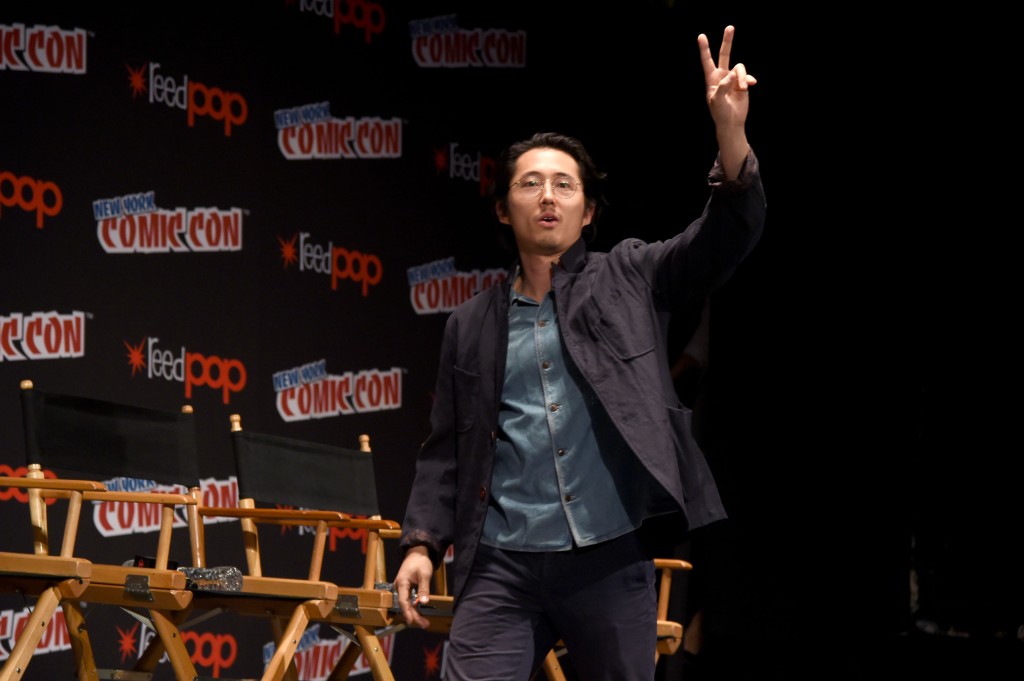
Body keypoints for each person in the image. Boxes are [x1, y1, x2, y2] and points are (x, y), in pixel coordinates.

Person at [395, 25, 765, 681]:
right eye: (530, 184)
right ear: (505, 209)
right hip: (501, 562)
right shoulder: (470, 323)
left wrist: (729, 134)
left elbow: (723, 238)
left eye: (564, 185)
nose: (547, 196)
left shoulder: (630, 275)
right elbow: (447, 448)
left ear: (589, 211)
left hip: (609, 553)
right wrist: (423, 542)